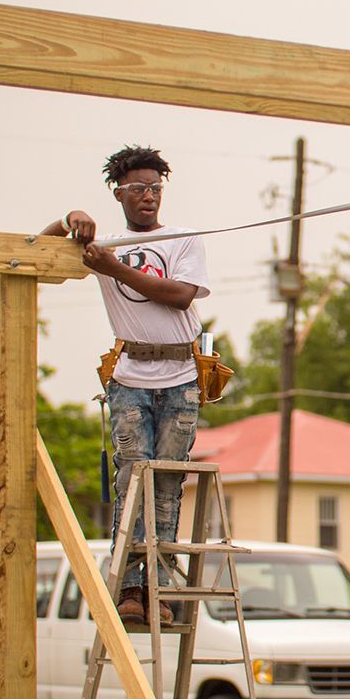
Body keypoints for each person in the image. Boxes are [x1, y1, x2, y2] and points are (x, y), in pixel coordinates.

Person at [41, 145, 211, 627]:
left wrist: (112, 268)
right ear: (119, 192)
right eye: (138, 188)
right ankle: (131, 590)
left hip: (179, 377)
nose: (148, 197)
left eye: (156, 188)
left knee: (165, 483)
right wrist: (68, 219)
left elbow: (179, 297)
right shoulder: (105, 242)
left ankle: (158, 587)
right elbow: (37, 250)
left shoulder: (183, 240)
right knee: (130, 479)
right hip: (130, 377)